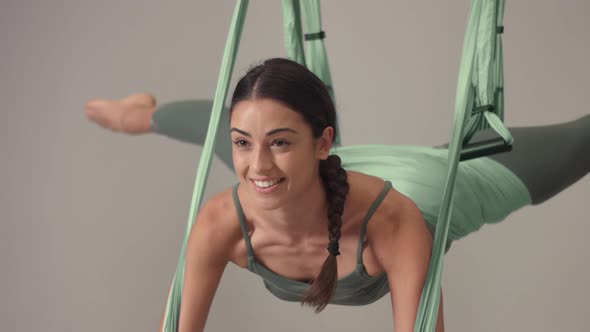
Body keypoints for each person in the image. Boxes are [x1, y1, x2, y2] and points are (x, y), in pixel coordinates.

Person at [85, 58, 589, 332]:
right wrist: (264, 143)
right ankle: (137, 115)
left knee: (581, 142)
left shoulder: (394, 223)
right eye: (245, 145)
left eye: (282, 142)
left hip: (430, 182)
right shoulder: (224, 218)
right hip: (313, 178)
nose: (256, 164)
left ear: (325, 141)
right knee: (243, 135)